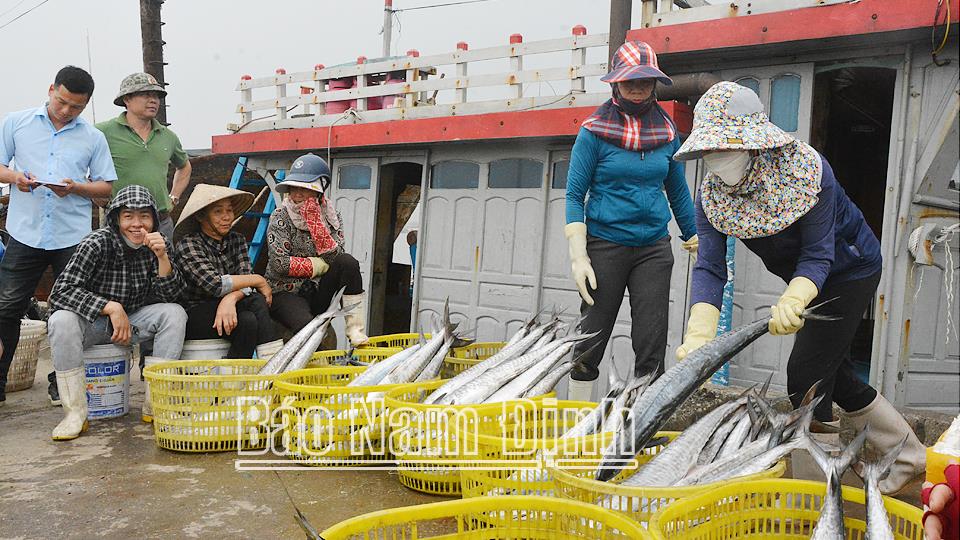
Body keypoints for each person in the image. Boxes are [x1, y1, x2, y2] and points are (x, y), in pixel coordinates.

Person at [673, 81, 924, 494]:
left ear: (754, 143)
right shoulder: (712, 198)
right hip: (807, 279)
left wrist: (795, 297)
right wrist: (699, 333)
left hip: (850, 267)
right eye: (709, 149)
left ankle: (818, 488)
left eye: (726, 145)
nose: (717, 157)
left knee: (805, 375)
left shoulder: (806, 170)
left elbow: (819, 254)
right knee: (833, 374)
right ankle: (907, 461)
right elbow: (710, 268)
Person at [564, 41, 698, 402]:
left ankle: (642, 426)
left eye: (645, 80)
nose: (637, 87)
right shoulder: (593, 131)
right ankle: (577, 420)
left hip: (653, 247)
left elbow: (678, 190)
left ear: (655, 84)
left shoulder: (668, 132)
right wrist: (579, 256)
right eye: (629, 81)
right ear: (615, 85)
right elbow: (575, 195)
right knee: (591, 336)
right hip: (605, 244)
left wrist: (694, 235)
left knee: (652, 343)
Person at [0, 66, 117, 407]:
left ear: (86, 105)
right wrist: (16, 177)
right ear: (51, 89)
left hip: (73, 236)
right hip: (25, 233)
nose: (66, 111)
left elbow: (106, 188)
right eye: (62, 102)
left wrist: (77, 187)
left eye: (76, 107)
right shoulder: (16, 122)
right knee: (6, 308)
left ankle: (61, 382)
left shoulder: (93, 137)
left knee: (71, 311)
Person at [46, 185, 186, 437]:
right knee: (60, 320)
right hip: (92, 324)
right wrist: (109, 307)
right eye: (128, 216)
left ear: (153, 219)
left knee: (174, 313)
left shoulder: (157, 243)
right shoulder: (97, 242)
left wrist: (162, 257)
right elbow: (60, 291)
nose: (137, 224)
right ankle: (75, 413)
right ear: (116, 219)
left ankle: (157, 406)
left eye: (144, 216)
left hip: (132, 322)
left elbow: (171, 296)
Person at [265, 153, 369, 347]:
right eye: (294, 188)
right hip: (286, 291)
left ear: (320, 190)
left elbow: (337, 258)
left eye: (304, 189)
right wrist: (319, 265)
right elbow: (279, 263)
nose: (297, 194)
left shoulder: (331, 216)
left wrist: (316, 225)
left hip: (317, 290)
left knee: (348, 262)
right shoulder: (280, 216)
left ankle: (355, 329)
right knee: (311, 332)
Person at [174, 184, 282, 359]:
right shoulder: (188, 244)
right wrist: (258, 280)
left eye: (229, 210)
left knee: (248, 320)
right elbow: (215, 285)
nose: (226, 217)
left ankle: (234, 378)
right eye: (218, 212)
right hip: (195, 314)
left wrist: (231, 298)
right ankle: (275, 363)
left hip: (233, 308)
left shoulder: (236, 240)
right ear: (202, 216)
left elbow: (247, 279)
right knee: (255, 300)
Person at [96, 72, 191, 239]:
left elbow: (184, 167)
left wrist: (174, 197)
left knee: (164, 264)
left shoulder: (168, 136)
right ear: (127, 99)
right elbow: (76, 162)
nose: (153, 100)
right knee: (117, 266)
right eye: (146, 95)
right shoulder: (102, 132)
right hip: (121, 222)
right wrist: (96, 195)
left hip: (161, 222)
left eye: (156, 96)